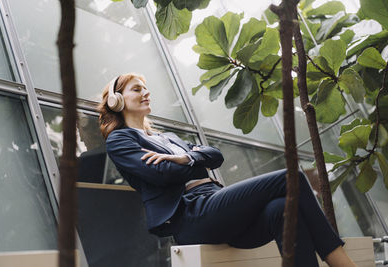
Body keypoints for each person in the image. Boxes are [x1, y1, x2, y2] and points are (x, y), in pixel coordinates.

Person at [98, 73, 356, 267]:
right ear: (117, 100)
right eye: (137, 89)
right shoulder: (120, 140)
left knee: (283, 208)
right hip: (191, 216)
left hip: (217, 206)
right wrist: (190, 161)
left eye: (146, 88)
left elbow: (215, 156)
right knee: (292, 177)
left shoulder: (169, 138)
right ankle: (339, 260)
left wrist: (184, 159)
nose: (146, 93)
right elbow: (160, 174)